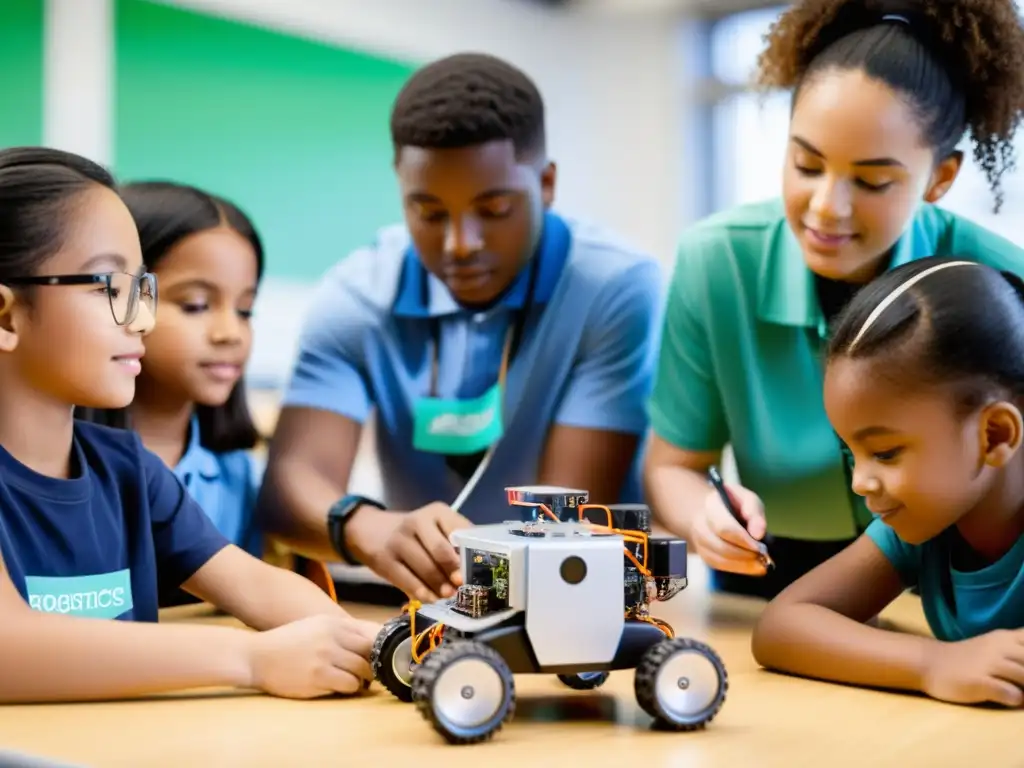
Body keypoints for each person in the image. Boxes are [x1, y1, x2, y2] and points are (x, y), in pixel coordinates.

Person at [644, 0, 1024, 600]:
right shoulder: (717, 262)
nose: (826, 207)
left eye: (872, 181)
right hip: (769, 582)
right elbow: (674, 466)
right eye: (806, 164)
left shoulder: (1002, 277)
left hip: (951, 590)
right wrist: (703, 517)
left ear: (940, 179)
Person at [258, 52, 663, 604]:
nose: (460, 244)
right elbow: (288, 492)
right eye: (427, 212)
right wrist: (369, 529)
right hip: (429, 602)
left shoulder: (614, 287)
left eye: (494, 208)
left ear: (546, 184)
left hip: (572, 600)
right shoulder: (353, 296)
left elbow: (566, 516)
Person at [0, 146, 378, 703]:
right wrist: (252, 660)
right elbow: (10, 649)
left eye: (141, 288)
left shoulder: (129, 471)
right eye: (110, 286)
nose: (142, 318)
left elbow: (256, 585)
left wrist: (379, 644)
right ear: (6, 316)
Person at [752, 257, 1024, 709]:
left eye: (885, 453)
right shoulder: (927, 525)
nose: (860, 482)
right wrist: (933, 663)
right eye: (850, 453)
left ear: (994, 435)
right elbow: (780, 626)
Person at [77, 181, 265, 561]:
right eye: (195, 305)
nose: (230, 333)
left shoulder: (238, 477)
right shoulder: (54, 464)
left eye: (245, 310)